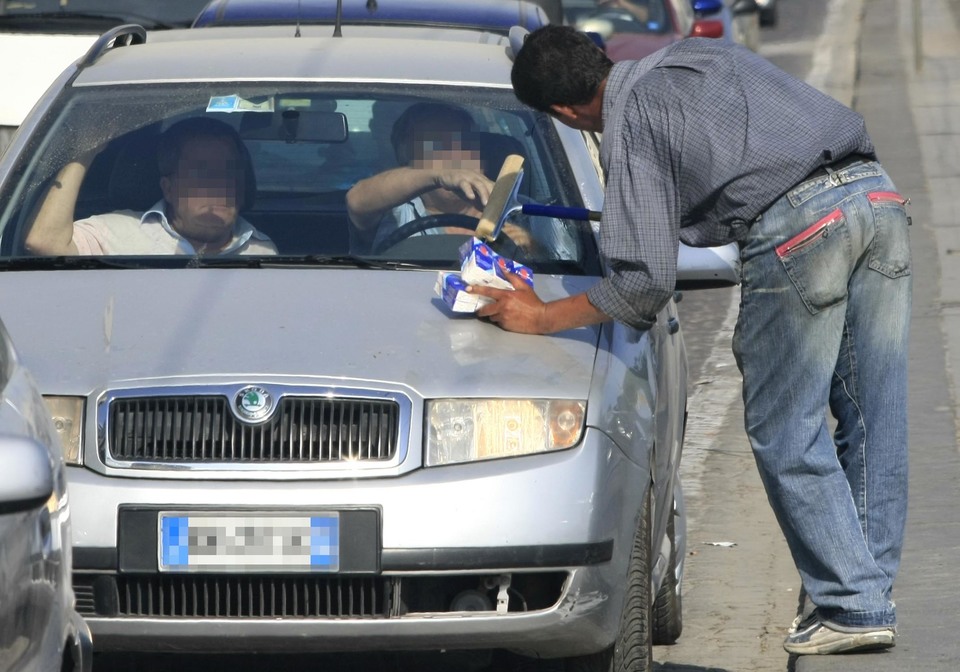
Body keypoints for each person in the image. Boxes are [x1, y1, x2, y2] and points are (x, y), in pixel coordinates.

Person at [472, 25, 911, 656]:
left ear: (564, 113)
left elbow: (642, 284)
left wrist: (540, 316)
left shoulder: (631, 122)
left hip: (801, 228)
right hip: (877, 194)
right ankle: (866, 601)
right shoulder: (694, 55)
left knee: (786, 428)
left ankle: (850, 602)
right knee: (874, 416)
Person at [24, 116, 277, 256]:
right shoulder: (117, 233)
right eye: (201, 173)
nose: (218, 184)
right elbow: (44, 241)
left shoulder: (261, 251)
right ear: (168, 188)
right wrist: (86, 151)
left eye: (228, 172)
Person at [346, 102, 546, 255]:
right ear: (406, 157)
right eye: (435, 147)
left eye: (463, 143)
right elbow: (357, 200)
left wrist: (532, 249)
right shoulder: (395, 211)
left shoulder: (524, 211)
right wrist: (439, 175)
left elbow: (560, 277)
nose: (453, 157)